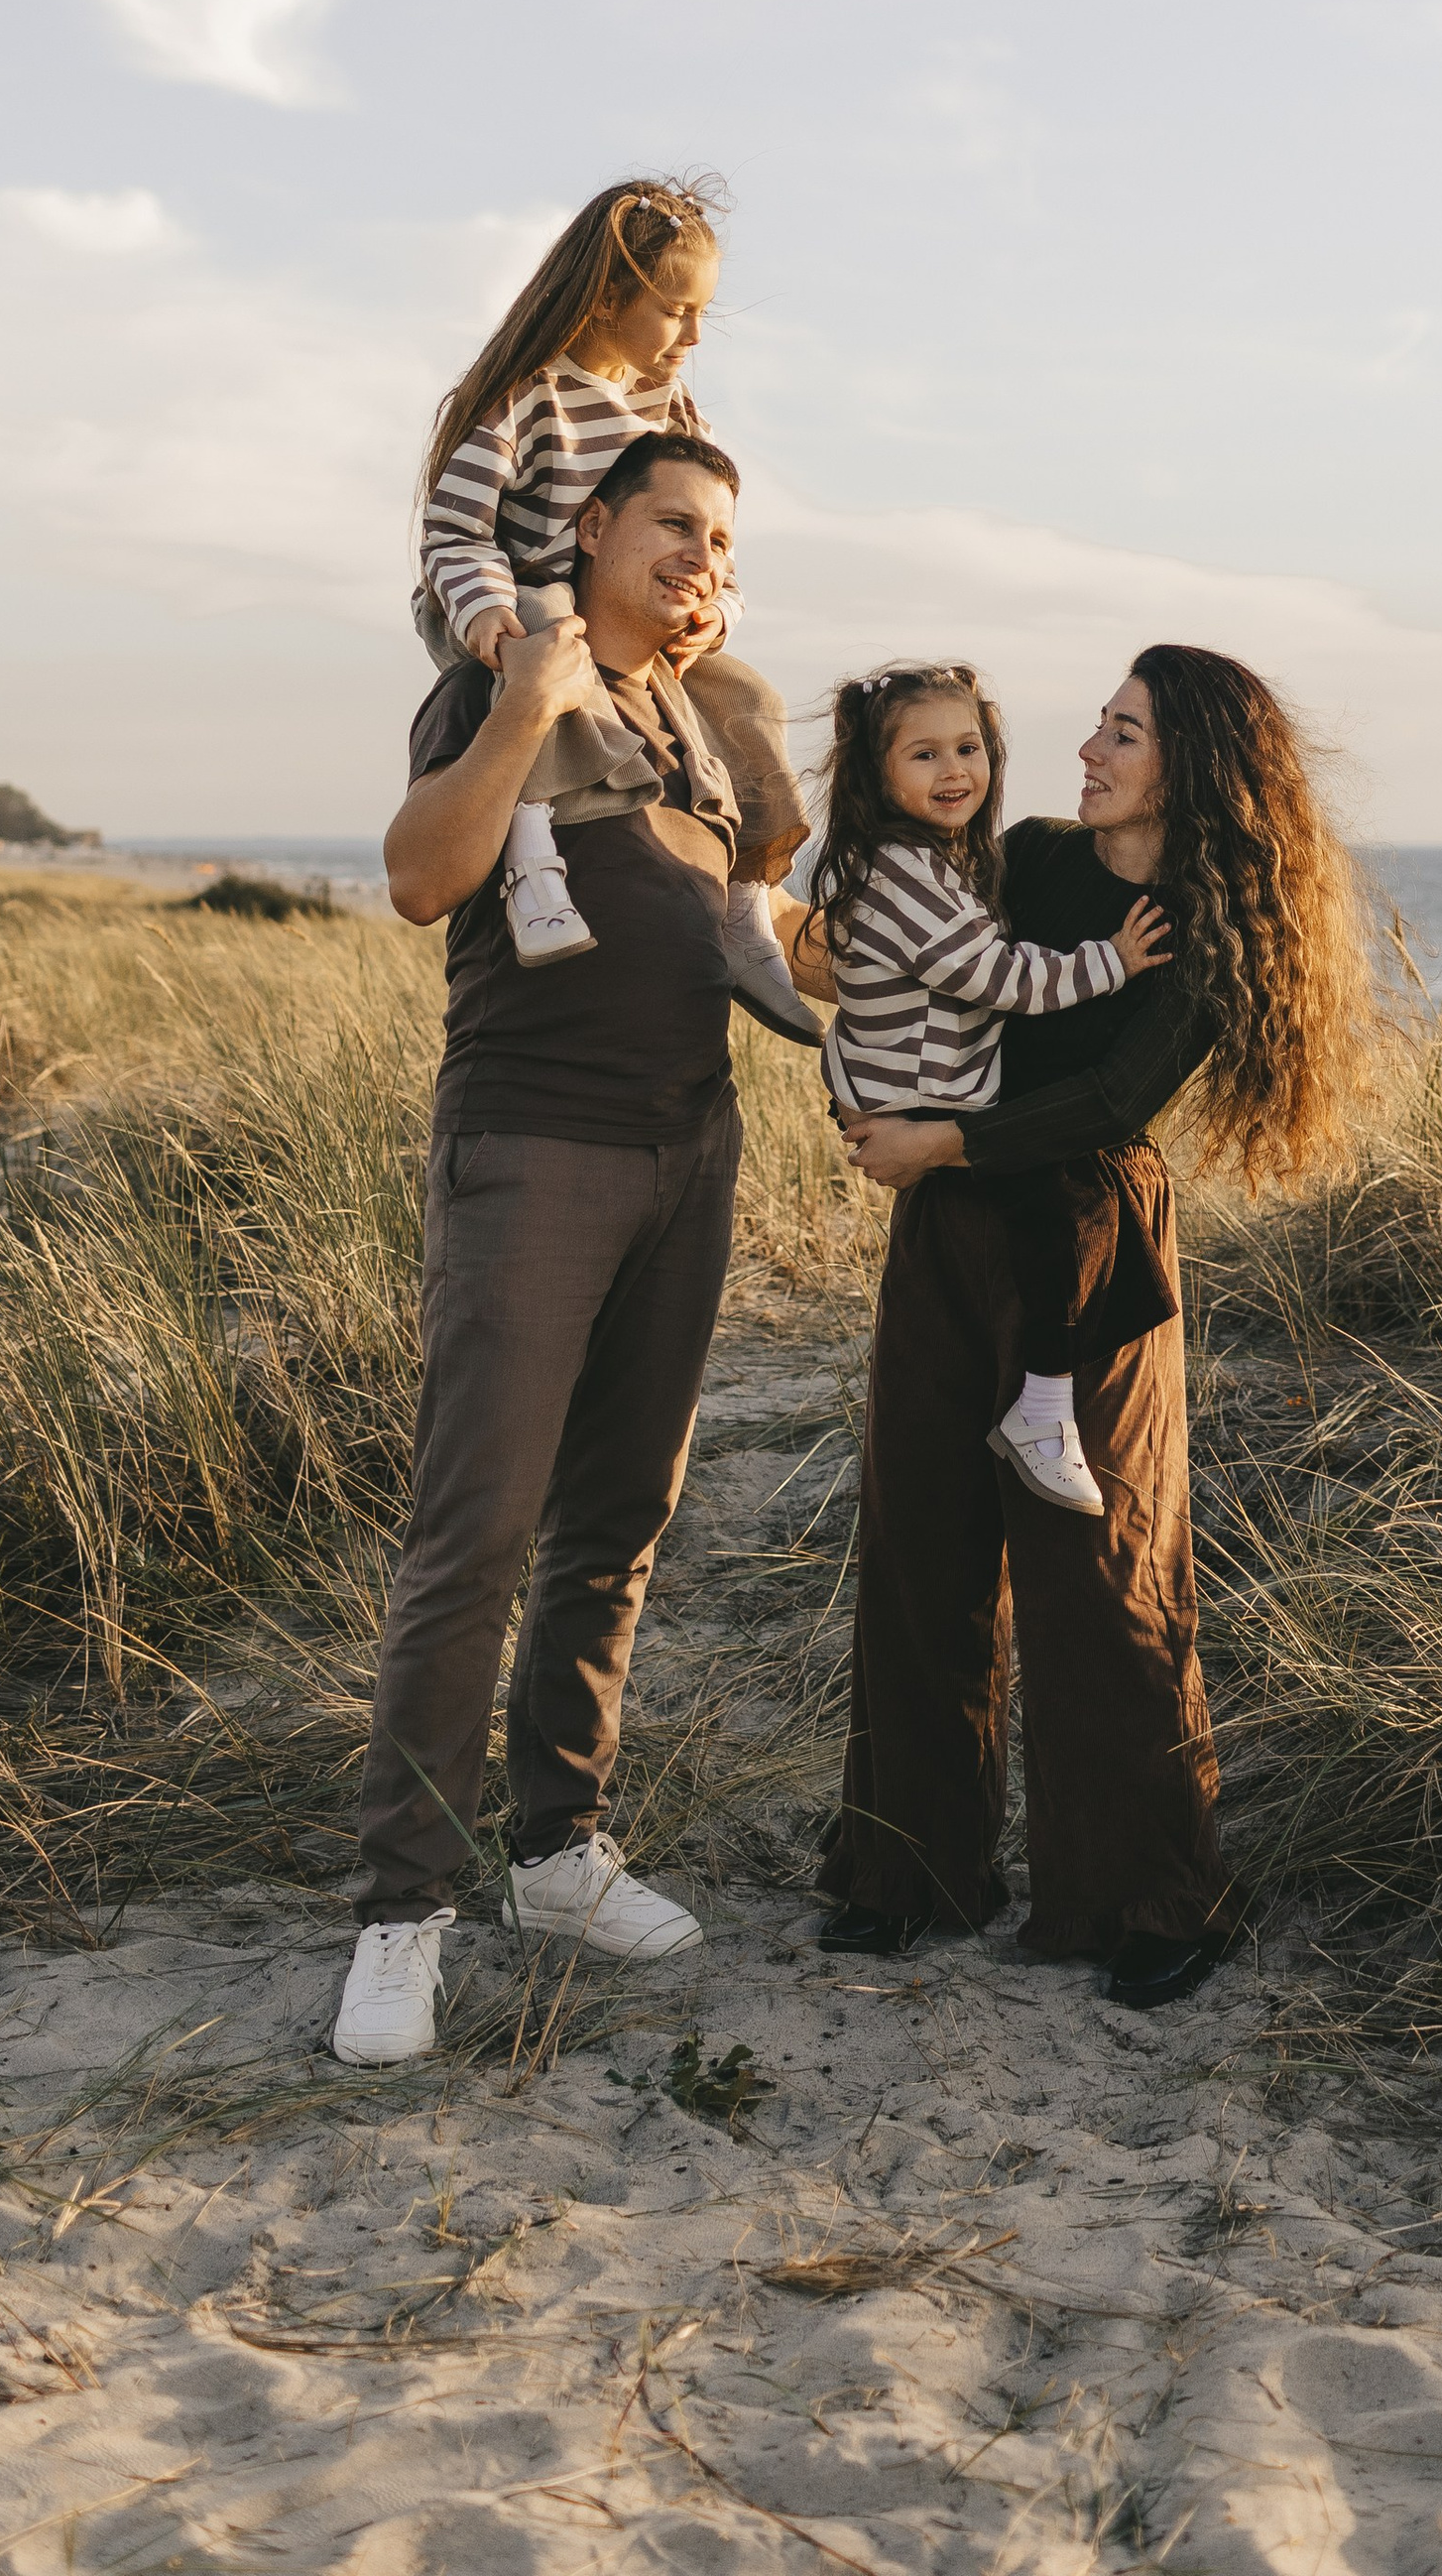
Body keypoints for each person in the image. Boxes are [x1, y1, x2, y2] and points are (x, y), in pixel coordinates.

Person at [333, 429, 812, 2066]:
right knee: (476, 1533)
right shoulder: (504, 678)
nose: (702, 558)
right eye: (674, 523)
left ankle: (554, 1851)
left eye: (724, 542)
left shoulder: (698, 721)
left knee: (619, 1518)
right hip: (535, 1147)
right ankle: (404, 1911)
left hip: (693, 1149)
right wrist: (531, 701)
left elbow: (746, 933)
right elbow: (420, 878)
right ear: (591, 525)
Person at [813, 644, 1375, 2010]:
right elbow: (918, 968)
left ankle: (1148, 1897)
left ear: (1192, 765)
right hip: (949, 1234)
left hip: (1087, 1247)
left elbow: (1113, 1100)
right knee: (919, 1547)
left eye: (1124, 731)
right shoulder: (1031, 858)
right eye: (1100, 724)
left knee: (1104, 1575)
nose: (1088, 748)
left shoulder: (1206, 916)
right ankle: (908, 1871)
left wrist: (943, 1142)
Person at [416, 174, 817, 1039]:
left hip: (629, 629)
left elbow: (711, 537)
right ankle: (533, 864)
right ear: (605, 300)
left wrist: (717, 611)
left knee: (750, 698)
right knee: (552, 654)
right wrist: (486, 612)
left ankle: (747, 900)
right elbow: (454, 530)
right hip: (515, 600)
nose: (694, 336)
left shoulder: (671, 409)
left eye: (702, 313)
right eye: (676, 311)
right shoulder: (527, 397)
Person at [814, 662, 1173, 1515]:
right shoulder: (938, 868)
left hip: (944, 1111)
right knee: (1053, 1214)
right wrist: (1112, 962)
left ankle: (1043, 1409)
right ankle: (1042, 1410)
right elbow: (1001, 977)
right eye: (924, 754)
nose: (954, 770)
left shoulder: (944, 863)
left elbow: (1115, 1095)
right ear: (878, 776)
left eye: (968, 748)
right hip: (932, 1114)